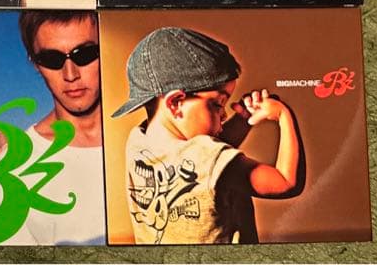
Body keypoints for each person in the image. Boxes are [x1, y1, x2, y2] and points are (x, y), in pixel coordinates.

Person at [111, 27, 303, 244]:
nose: (224, 114)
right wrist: (283, 115)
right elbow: (287, 182)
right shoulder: (209, 159)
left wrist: (243, 119)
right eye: (217, 104)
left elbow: (203, 155)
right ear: (175, 103)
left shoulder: (138, 143)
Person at [0, 11, 106, 245]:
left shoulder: (150, 134)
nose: (70, 74)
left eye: (84, 54)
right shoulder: (15, 166)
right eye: (52, 59)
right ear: (35, 63)